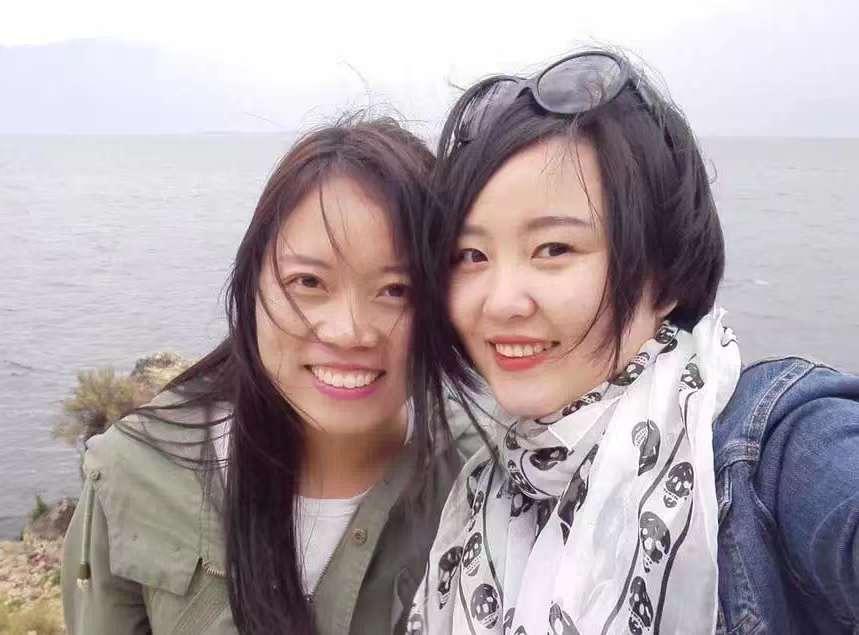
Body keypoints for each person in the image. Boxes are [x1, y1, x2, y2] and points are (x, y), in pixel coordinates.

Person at [407, 50, 859, 634]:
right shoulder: (487, 491)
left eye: (554, 249)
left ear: (663, 275)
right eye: (472, 255)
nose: (501, 302)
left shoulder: (773, 455)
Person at [61, 115, 478, 635]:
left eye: (396, 290)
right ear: (251, 287)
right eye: (309, 282)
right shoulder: (135, 473)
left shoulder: (483, 477)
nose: (350, 331)